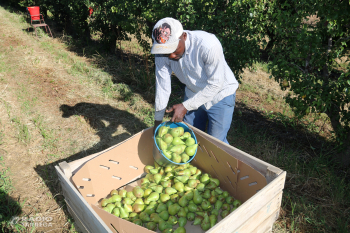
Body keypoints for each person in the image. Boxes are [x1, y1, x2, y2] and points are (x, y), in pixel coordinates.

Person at [151, 17, 239, 144]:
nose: (170, 56)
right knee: (188, 137)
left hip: (220, 95)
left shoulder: (208, 45)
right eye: (166, 52)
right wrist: (157, 124)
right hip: (193, 92)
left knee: (216, 144)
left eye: (173, 49)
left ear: (184, 36)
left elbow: (215, 84)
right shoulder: (161, 53)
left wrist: (186, 106)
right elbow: (162, 87)